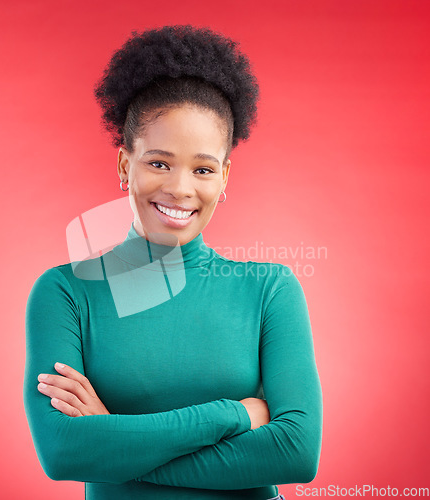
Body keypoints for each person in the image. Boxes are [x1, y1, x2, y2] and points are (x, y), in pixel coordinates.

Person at [23, 24, 323, 500]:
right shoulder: (66, 293)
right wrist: (236, 415)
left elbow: (296, 453)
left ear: (224, 179)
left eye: (203, 169)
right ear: (126, 165)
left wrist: (114, 438)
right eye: (159, 163)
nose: (181, 189)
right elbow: (63, 452)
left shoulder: (269, 289)